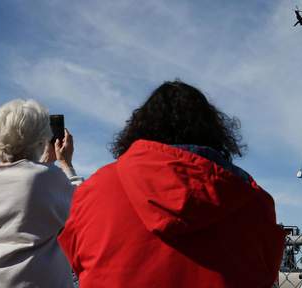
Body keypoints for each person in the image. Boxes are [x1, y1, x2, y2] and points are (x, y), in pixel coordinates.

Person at [58, 80, 286, 288]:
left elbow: (76, 260)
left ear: (139, 130)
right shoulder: (252, 199)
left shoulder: (93, 192)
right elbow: (266, 273)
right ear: (215, 133)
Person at [0, 99, 83, 288]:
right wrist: (66, 164)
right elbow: (85, 208)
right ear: (41, 139)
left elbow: (26, 190)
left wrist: (45, 164)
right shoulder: (45, 177)